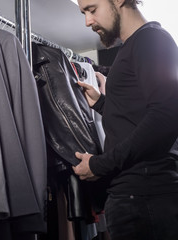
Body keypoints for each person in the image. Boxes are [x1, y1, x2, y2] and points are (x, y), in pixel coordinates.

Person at [72, 0, 178, 239]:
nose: (87, 21)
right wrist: (101, 103)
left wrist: (99, 165)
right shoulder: (134, 46)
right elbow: (136, 118)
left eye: (92, 9)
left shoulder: (151, 40)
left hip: (145, 199)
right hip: (137, 199)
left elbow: (165, 116)